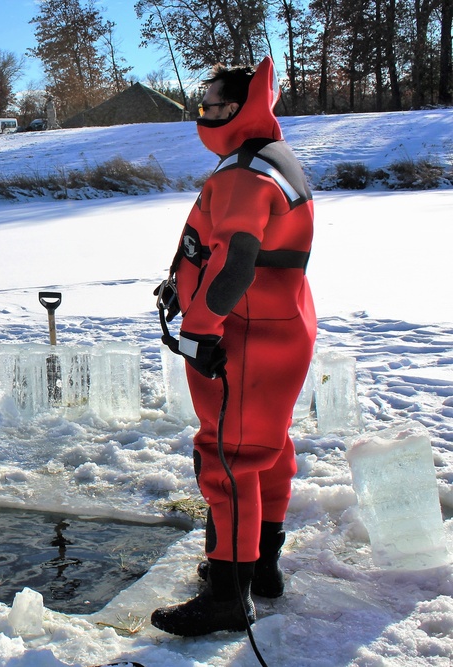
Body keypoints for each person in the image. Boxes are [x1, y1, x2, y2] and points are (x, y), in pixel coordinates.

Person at [150, 56, 316, 636]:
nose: (203, 114)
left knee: (228, 459)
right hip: (281, 327)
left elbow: (239, 259)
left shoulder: (244, 172)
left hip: (244, 337)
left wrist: (200, 329)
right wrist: (181, 281)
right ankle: (260, 567)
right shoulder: (272, 158)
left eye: (213, 105)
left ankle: (227, 593)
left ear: (242, 108)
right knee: (266, 451)